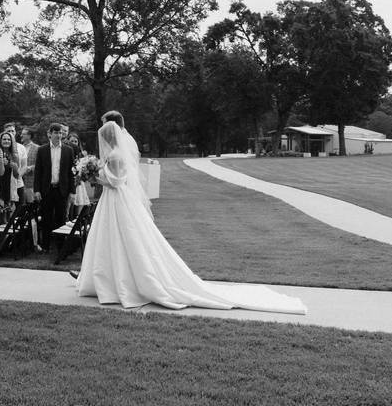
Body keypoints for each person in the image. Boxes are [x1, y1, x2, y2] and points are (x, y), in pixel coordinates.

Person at [75, 121, 306, 314]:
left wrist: (96, 178)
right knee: (112, 238)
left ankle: (121, 282)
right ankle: (110, 279)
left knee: (123, 237)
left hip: (116, 200)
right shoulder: (114, 154)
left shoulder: (115, 155)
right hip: (113, 202)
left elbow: (116, 181)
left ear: (106, 138)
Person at [33, 123, 75, 251]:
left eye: (61, 133)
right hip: (47, 189)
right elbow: (38, 171)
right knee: (46, 218)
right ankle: (45, 246)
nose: (59, 135)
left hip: (62, 190)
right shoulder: (42, 150)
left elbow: (71, 172)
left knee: (61, 218)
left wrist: (72, 191)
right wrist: (37, 190)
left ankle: (60, 246)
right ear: (49, 134)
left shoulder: (68, 150)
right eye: (56, 132)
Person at [0, 130, 19, 222]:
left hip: (9, 188)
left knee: (8, 219)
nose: (6, 141)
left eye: (9, 139)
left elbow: (17, 176)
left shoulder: (14, 155)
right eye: (4, 139)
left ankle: (6, 236)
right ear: (0, 141)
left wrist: (15, 168)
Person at [20, 126, 40, 204]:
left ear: (29, 136)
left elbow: (40, 165)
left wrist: (31, 168)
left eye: (23, 134)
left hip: (31, 183)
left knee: (31, 205)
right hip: (19, 182)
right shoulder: (19, 147)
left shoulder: (37, 148)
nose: (21, 135)